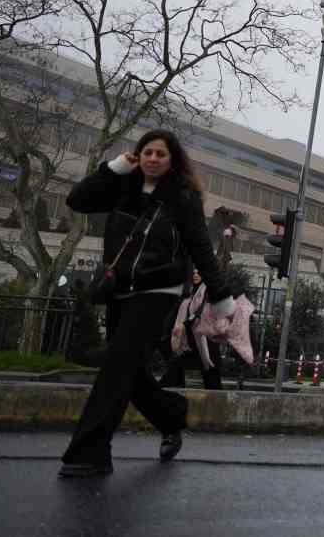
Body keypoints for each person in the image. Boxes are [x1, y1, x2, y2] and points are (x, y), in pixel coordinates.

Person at [58, 131, 239, 478]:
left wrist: (219, 294)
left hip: (159, 289)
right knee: (127, 368)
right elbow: (77, 200)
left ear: (172, 161)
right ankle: (170, 415)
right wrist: (112, 169)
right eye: (147, 152)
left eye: (160, 154)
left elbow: (200, 245)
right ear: (137, 155)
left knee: (116, 366)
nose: (153, 159)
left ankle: (89, 453)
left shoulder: (182, 197)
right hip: (120, 288)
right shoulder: (122, 186)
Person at [162, 268, 223, 392]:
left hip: (206, 343)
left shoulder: (208, 291)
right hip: (190, 341)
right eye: (193, 273)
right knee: (175, 367)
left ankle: (218, 401)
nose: (195, 275)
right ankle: (165, 391)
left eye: (198, 273)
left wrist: (189, 321)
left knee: (212, 380)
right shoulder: (190, 292)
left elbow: (205, 310)